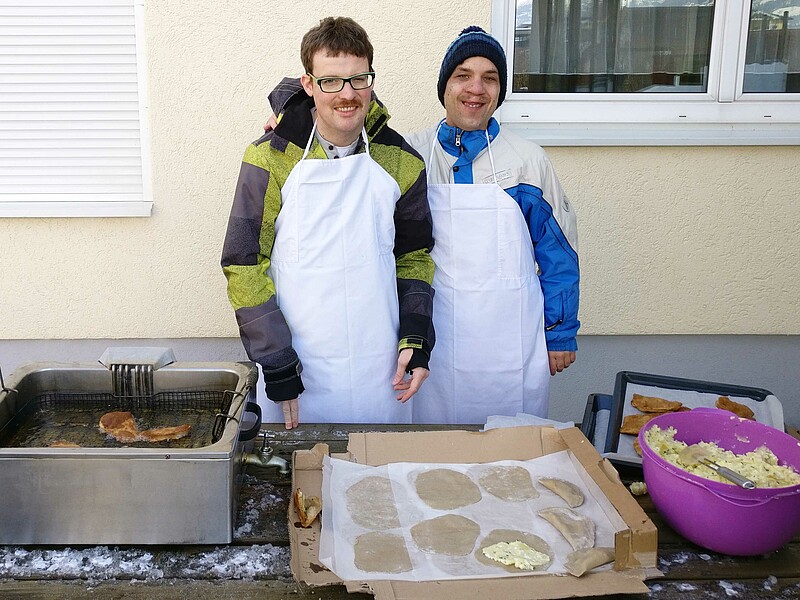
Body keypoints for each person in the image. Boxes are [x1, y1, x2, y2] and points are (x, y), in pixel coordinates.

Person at [264, 26, 579, 424]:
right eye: (462, 76)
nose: (475, 89)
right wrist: (291, 114)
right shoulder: (409, 154)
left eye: (490, 78)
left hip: (507, 342)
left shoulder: (528, 161)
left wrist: (561, 332)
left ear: (500, 91)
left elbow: (558, 253)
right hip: (431, 340)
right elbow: (348, 98)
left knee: (509, 450)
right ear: (444, 86)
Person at [222, 17, 435, 430]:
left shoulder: (401, 160)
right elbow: (243, 261)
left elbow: (415, 258)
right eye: (331, 81)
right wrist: (277, 361)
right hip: (297, 368)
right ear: (308, 85)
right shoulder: (270, 157)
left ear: (372, 80)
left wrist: (417, 338)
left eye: (359, 80)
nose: (347, 95)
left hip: (381, 368)